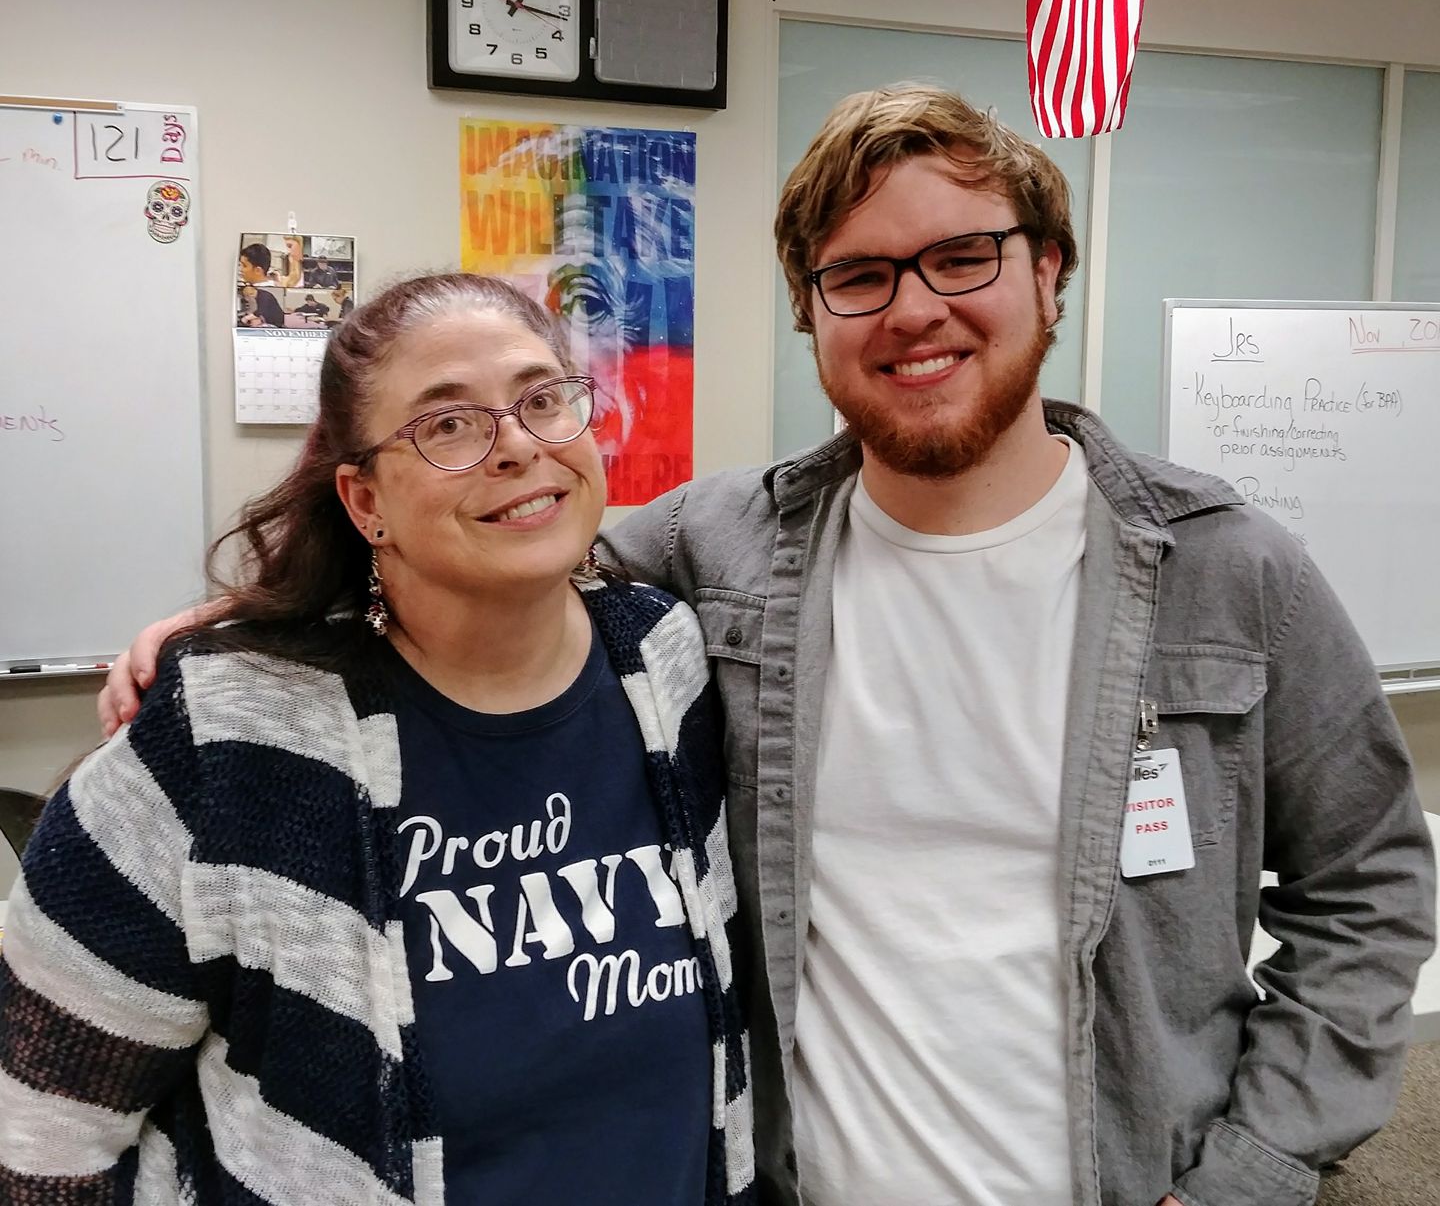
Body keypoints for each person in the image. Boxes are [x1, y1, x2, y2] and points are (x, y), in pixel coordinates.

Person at [98, 86, 1436, 1206]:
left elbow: (1369, 893)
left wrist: (1254, 1170)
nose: (914, 308)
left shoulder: (1229, 574)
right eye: (858, 275)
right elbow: (497, 538)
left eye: (963, 254)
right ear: (812, 313)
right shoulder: (728, 545)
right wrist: (251, 616)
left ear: (1049, 269)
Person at [7, 273, 754, 1204]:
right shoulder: (229, 734)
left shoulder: (667, 661)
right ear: (366, 504)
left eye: (542, 400)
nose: (517, 445)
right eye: (447, 425)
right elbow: (41, 1116)